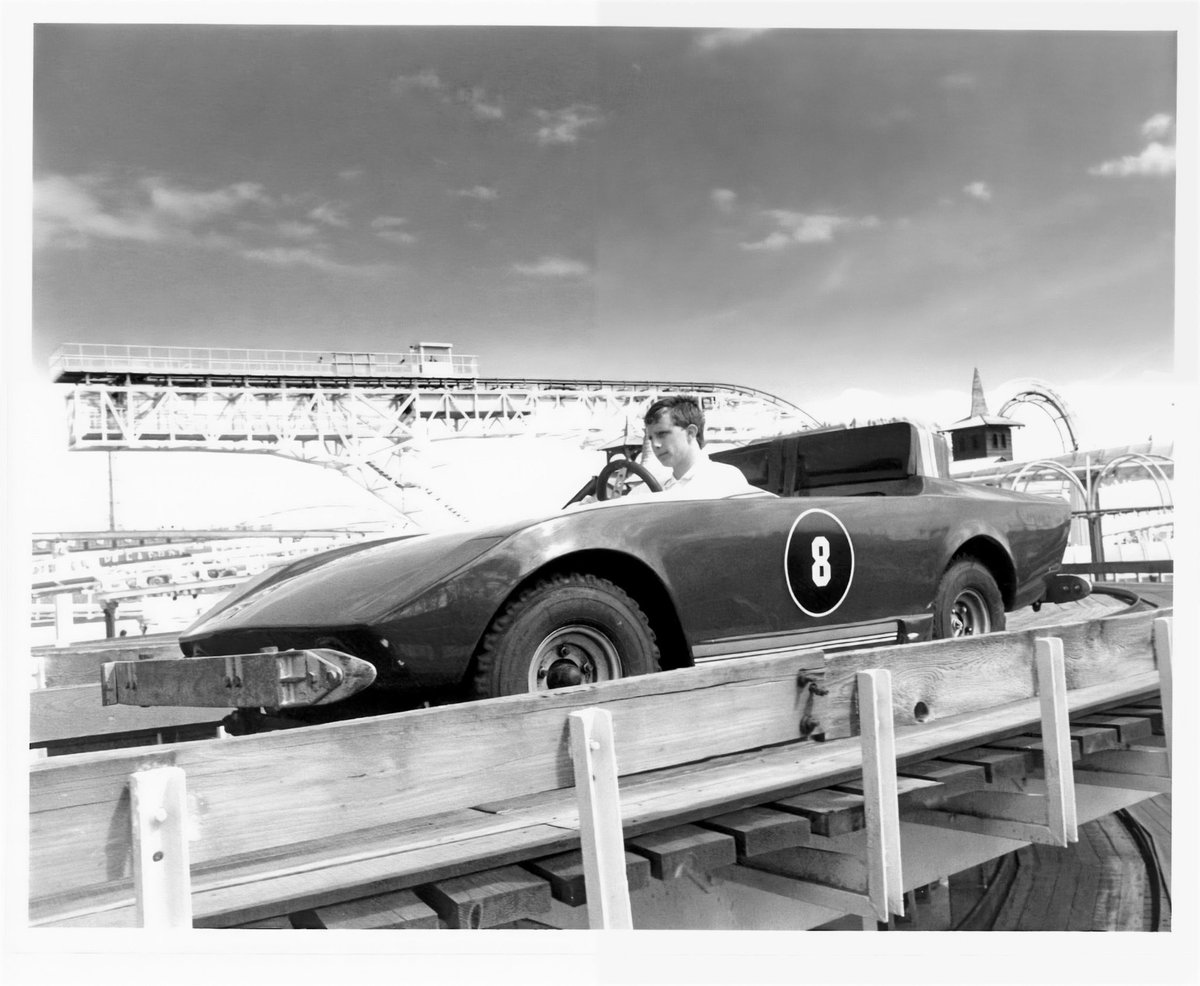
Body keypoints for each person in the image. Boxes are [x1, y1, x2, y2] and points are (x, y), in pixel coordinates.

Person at [627, 395, 757, 500]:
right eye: (650, 438)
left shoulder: (725, 480)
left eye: (662, 434)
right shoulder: (642, 492)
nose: (655, 444)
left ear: (690, 433)